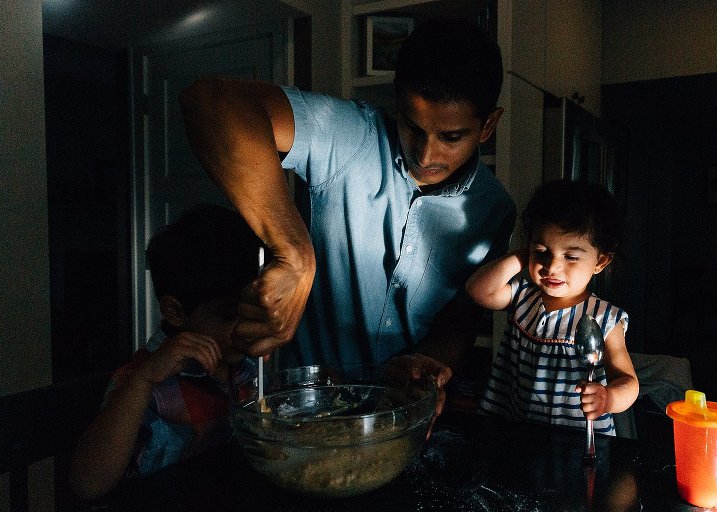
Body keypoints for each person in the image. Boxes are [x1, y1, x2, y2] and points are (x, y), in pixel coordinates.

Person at [178, 18, 516, 391]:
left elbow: (459, 321)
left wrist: (426, 366)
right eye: (412, 126)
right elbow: (211, 102)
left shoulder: (494, 210)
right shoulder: (351, 135)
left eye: (451, 137)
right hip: (302, 409)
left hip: (401, 416)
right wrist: (294, 254)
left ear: (488, 126)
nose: (425, 154)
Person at [69, 204, 262, 500]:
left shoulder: (244, 366)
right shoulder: (141, 382)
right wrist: (143, 380)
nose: (245, 328)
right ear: (175, 311)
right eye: (227, 315)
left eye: (251, 313)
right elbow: (87, 484)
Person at [466, 179, 639, 434]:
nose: (552, 266)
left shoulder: (604, 319)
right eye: (542, 251)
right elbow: (478, 290)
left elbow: (628, 382)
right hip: (515, 430)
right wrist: (524, 255)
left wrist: (608, 398)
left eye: (570, 256)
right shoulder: (523, 297)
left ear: (599, 262)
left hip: (577, 439)